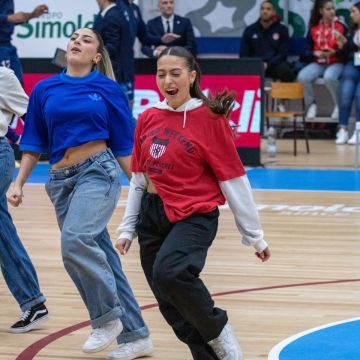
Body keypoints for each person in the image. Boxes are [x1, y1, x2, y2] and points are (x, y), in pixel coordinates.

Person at [116, 46, 271, 360]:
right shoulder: (147, 117)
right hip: (152, 214)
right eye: (161, 74)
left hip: (195, 214)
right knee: (169, 301)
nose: (167, 80)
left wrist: (254, 235)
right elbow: (139, 179)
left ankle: (220, 331)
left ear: (192, 75)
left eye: (175, 73)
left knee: (170, 273)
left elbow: (233, 180)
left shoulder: (210, 119)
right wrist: (127, 228)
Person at [7, 28, 153, 360]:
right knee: (101, 257)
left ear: (96, 56)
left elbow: (123, 144)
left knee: (75, 241)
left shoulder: (107, 88)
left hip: (97, 172)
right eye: (74, 37)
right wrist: (17, 183)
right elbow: (33, 141)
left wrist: (144, 191)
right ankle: (136, 335)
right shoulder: (45, 88)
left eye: (87, 40)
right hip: (59, 182)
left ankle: (106, 319)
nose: (77, 41)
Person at [0, 66, 49, 333]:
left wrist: (24, 146)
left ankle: (33, 301)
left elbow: (32, 116)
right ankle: (33, 301)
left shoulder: (3, 77)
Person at [114, 0, 179, 107]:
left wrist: (162, 39)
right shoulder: (116, 6)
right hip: (116, 65)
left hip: (128, 65)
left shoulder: (135, 8)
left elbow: (144, 36)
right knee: (118, 104)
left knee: (129, 102)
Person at [297, 0, 348, 119]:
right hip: (319, 62)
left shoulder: (341, 27)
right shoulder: (314, 28)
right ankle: (312, 105)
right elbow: (305, 50)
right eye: (328, 9)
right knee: (302, 77)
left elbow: (348, 51)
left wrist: (335, 52)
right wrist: (315, 53)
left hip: (337, 62)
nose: (332, 12)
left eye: (333, 9)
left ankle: (338, 106)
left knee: (329, 77)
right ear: (321, 11)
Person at [240, 0, 296, 82]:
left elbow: (283, 54)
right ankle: (250, 94)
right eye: (262, 9)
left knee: (287, 73)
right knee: (239, 71)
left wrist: (268, 64)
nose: (265, 11)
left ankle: (281, 95)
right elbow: (243, 55)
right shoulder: (250, 30)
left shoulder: (282, 29)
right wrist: (258, 64)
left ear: (274, 12)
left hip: (273, 65)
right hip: (255, 65)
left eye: (268, 9)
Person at [93, 0, 133, 101]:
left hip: (116, 75)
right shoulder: (107, 14)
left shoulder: (112, 16)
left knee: (121, 113)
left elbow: (112, 47)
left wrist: (90, 56)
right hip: (114, 75)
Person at [0, 1, 48, 82]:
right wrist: (8, 18)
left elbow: (9, 21)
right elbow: (8, 18)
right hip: (2, 47)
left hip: (8, 45)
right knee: (4, 83)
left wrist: (32, 15)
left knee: (18, 83)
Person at [335, 1, 360, 145]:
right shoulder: (350, 31)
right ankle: (342, 130)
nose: (351, 15)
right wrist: (342, 45)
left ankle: (358, 131)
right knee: (345, 93)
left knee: (359, 96)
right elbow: (344, 56)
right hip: (353, 64)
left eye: (354, 12)